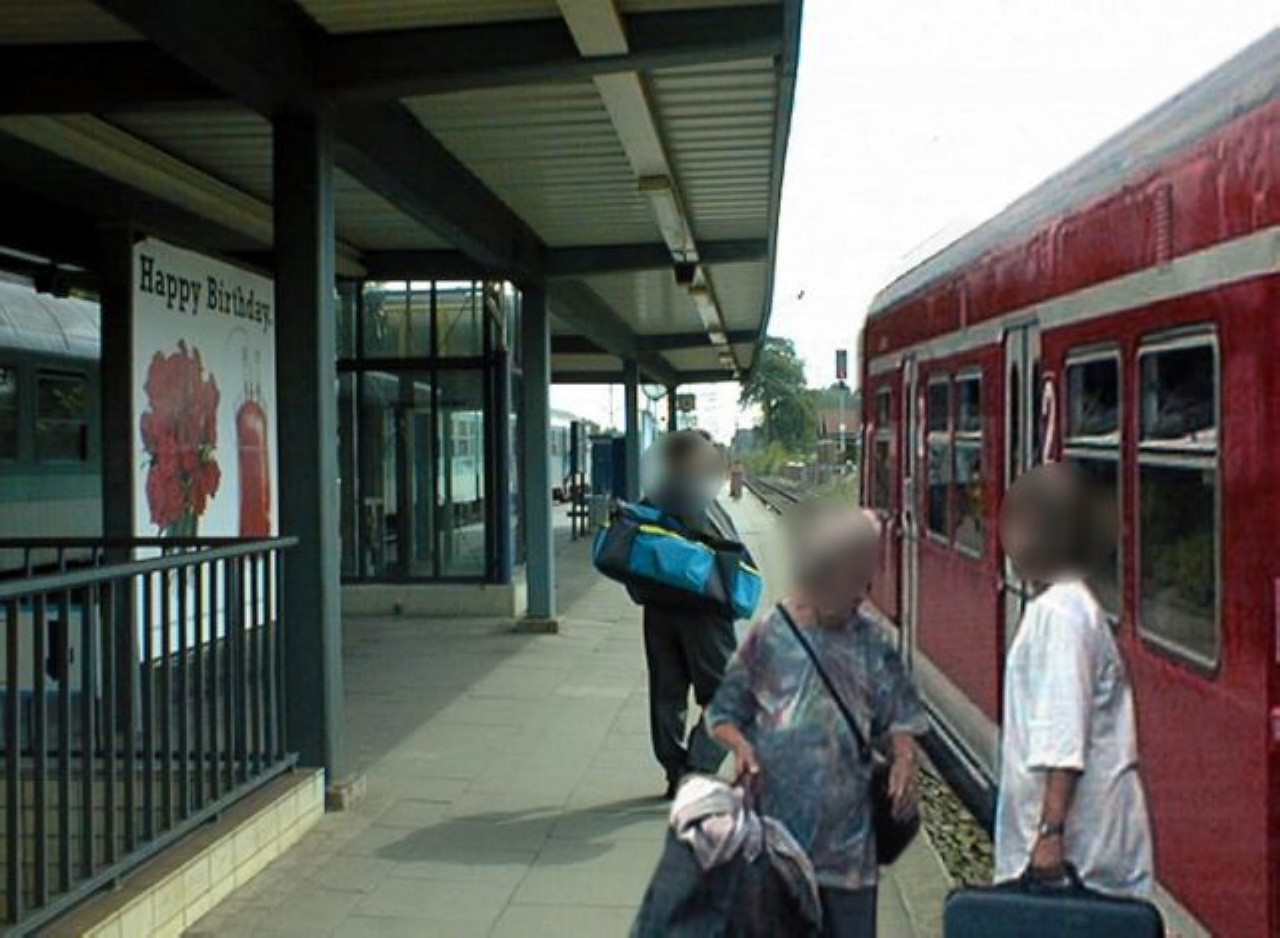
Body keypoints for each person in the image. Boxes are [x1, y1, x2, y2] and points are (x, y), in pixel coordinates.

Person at [706, 502, 928, 938]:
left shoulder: (871, 639)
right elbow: (724, 714)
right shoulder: (771, 635)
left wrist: (904, 758)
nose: (858, 596)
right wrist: (742, 748)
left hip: (850, 852)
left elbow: (902, 712)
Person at [994, 463, 1154, 896]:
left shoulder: (1060, 614)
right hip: (1083, 852)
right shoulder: (1069, 603)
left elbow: (1063, 739)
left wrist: (1049, 836)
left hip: (1078, 861)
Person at [641, 430, 743, 799]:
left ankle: (674, 771)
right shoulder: (697, 498)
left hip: (658, 609)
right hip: (703, 614)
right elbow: (730, 555)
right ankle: (696, 769)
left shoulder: (654, 497)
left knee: (666, 695)